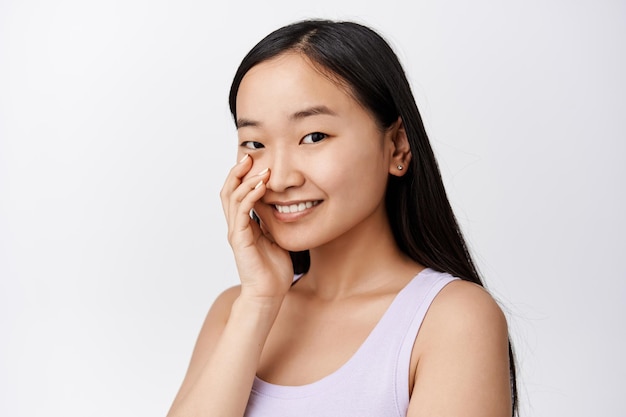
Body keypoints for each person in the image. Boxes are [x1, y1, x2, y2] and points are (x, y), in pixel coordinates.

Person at [167, 19, 517, 417]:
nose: (279, 178)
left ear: (398, 146)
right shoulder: (235, 310)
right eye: (255, 143)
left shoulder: (452, 319)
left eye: (313, 137)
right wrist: (259, 302)